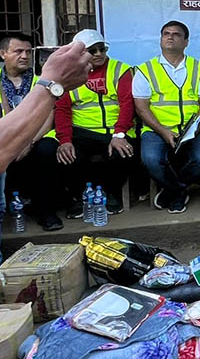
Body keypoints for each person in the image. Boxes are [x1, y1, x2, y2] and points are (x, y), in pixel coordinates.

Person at [133, 21, 200, 214]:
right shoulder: (145, 70)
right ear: (160, 40)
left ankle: (172, 190)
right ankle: (178, 191)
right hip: (156, 128)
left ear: (186, 42)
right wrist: (163, 131)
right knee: (151, 159)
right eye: (166, 34)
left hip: (191, 128)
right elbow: (142, 109)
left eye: (176, 34)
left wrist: (194, 130)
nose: (170, 37)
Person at [56, 29, 137, 217]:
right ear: (80, 53)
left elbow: (127, 104)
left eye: (102, 49)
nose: (99, 54)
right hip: (82, 131)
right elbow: (62, 109)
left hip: (116, 130)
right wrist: (65, 140)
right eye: (93, 50)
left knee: (122, 153)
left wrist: (119, 134)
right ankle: (80, 197)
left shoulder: (120, 69)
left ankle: (110, 194)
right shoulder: (67, 75)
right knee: (68, 155)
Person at [0, 33, 62, 230]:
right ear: (3, 54)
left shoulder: (41, 81)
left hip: (37, 137)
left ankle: (46, 212)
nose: (25, 56)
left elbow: (49, 116)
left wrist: (28, 142)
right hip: (3, 139)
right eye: (18, 51)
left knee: (46, 151)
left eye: (28, 51)